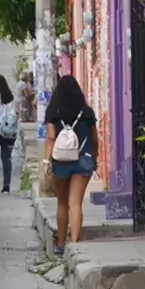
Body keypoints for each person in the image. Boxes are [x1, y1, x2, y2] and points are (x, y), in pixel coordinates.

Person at [43, 75, 98, 256]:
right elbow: (94, 139)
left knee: (62, 203)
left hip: (61, 160)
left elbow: (51, 139)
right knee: (76, 203)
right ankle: (75, 244)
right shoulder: (87, 113)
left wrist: (46, 162)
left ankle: (60, 244)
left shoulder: (53, 113)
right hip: (84, 158)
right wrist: (94, 158)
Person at [0, 73, 20, 193]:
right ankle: (6, 185)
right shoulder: (12, 97)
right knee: (6, 158)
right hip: (9, 130)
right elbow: (17, 113)